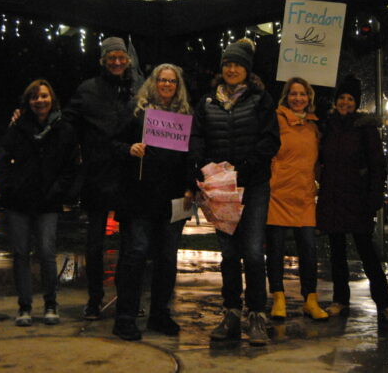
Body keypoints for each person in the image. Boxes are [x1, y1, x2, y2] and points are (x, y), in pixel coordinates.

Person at [189, 38, 280, 346]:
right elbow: (197, 137)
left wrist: (243, 166)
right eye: (227, 64)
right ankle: (230, 313)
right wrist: (204, 166)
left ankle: (256, 315)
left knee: (253, 252)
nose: (231, 69)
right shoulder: (207, 102)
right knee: (228, 254)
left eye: (237, 64)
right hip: (220, 189)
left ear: (247, 69)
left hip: (252, 186)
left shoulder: (261, 99)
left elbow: (270, 141)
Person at [111, 64, 193, 341]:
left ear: (178, 85)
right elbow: (112, 143)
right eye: (162, 80)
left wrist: (190, 187)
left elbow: (192, 156)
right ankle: (125, 317)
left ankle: (160, 314)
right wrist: (128, 149)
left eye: (172, 81)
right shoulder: (137, 110)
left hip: (172, 199)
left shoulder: (186, 116)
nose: (167, 85)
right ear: (153, 82)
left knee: (167, 258)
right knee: (136, 254)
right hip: (139, 197)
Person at [64, 36, 142, 320]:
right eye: (112, 57)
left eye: (122, 56)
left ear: (128, 59)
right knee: (94, 244)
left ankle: (128, 298)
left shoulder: (138, 89)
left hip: (128, 176)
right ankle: (94, 298)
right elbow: (67, 123)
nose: (118, 61)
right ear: (103, 60)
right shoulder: (87, 90)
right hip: (97, 175)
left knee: (132, 245)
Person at [316, 75, 388, 325]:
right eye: (341, 98)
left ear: (356, 102)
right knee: (337, 252)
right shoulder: (328, 126)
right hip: (333, 197)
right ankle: (340, 300)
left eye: (350, 99)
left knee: (368, 253)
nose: (345, 102)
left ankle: (384, 303)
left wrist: (375, 195)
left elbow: (377, 165)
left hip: (358, 199)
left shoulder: (365, 128)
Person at [0, 80, 77, 327]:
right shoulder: (18, 127)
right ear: (27, 101)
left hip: (48, 201)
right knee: (20, 254)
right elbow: (3, 160)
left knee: (47, 253)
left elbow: (70, 165)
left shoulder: (63, 128)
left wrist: (59, 191)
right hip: (19, 201)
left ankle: (51, 303)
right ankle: (24, 306)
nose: (39, 101)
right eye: (34, 97)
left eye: (43, 96)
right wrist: (8, 186)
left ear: (51, 98)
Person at [266, 77, 328, 321]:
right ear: (286, 96)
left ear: (309, 98)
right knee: (275, 250)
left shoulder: (314, 126)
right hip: (278, 194)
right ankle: (278, 297)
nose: (298, 98)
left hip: (303, 197)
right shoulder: (276, 119)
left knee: (309, 251)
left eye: (303, 94)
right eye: (294, 94)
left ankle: (310, 299)